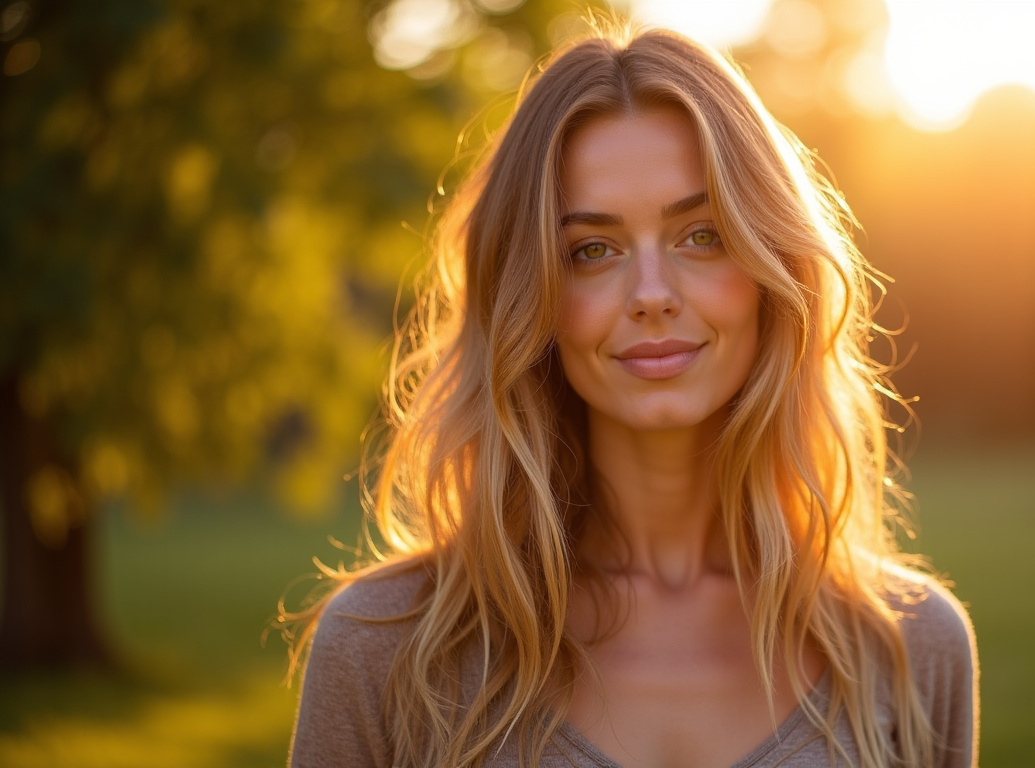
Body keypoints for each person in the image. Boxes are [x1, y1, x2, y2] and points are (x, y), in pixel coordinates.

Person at [285, 22, 978, 768]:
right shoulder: (385, 648)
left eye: (702, 235)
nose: (651, 294)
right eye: (592, 250)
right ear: (531, 299)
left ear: (775, 270)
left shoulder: (910, 645)